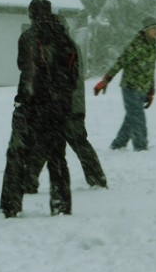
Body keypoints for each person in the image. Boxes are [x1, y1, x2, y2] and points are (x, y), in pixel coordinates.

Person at [0, 0, 79, 218]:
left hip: (30, 105)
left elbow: (24, 67)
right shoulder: (66, 40)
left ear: (32, 14)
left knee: (18, 154)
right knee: (56, 156)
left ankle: (11, 204)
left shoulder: (28, 37)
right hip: (58, 107)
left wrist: (30, 97)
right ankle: (61, 204)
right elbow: (74, 77)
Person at [25, 16, 108, 191]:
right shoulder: (58, 46)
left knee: (70, 142)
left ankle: (97, 179)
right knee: (47, 143)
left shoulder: (65, 48)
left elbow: (67, 81)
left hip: (68, 107)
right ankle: (28, 180)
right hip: (61, 106)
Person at [93, 17, 156, 152]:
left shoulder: (153, 47)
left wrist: (151, 90)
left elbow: (151, 70)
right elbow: (121, 61)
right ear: (146, 30)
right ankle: (141, 146)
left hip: (143, 88)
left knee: (131, 117)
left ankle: (118, 144)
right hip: (130, 86)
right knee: (138, 116)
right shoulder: (136, 44)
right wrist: (107, 78)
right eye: (154, 28)